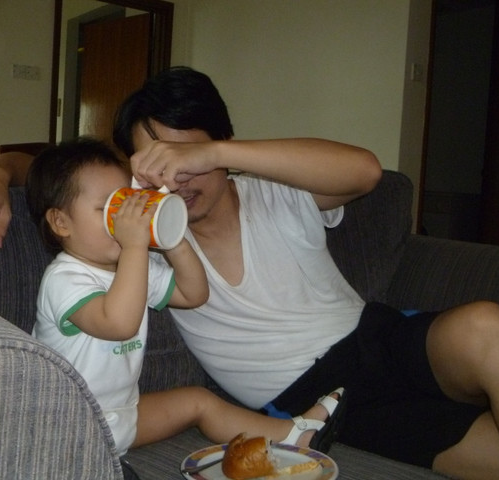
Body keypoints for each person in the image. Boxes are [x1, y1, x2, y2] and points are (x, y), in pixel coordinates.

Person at [0, 68, 499, 479]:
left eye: (187, 157)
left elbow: (364, 172)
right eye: (158, 162)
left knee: (485, 325)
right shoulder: (143, 233)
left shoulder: (275, 191)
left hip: (378, 336)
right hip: (316, 396)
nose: (177, 178)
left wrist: (215, 155)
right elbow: (57, 175)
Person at [23, 136, 346, 462]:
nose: (124, 219)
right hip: (68, 423)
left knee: (199, 401)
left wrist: (172, 238)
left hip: (120, 417)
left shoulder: (133, 269)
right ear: (61, 222)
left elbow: (194, 293)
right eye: (109, 209)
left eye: (128, 203)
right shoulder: (63, 279)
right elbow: (119, 323)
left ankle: (294, 435)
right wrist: (135, 246)